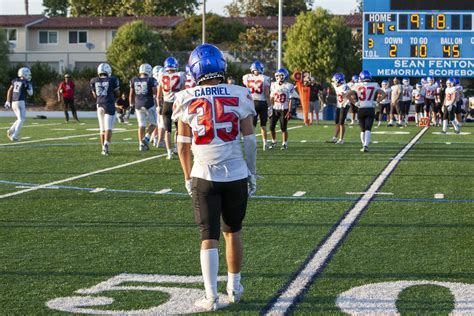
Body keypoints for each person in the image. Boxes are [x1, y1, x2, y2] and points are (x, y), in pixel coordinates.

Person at [172, 43, 257, 311]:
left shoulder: (185, 97)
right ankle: (235, 287)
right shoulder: (241, 93)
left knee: (208, 236)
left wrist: (187, 176)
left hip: (203, 174)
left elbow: (183, 144)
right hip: (236, 174)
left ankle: (211, 296)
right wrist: (252, 172)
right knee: (233, 232)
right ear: (221, 65)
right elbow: (251, 141)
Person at [157, 56, 187, 159]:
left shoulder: (161, 76)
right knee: (178, 129)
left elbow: (158, 96)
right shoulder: (181, 75)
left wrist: (158, 106)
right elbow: (183, 92)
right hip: (177, 105)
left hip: (166, 105)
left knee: (167, 131)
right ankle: (176, 148)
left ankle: (169, 153)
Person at [349, 70, 385, 152]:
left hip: (361, 108)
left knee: (362, 129)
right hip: (370, 108)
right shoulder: (375, 84)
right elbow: (384, 94)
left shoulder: (357, 85)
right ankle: (366, 145)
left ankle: (363, 145)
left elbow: (348, 95)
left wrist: (355, 103)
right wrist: (377, 102)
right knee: (368, 128)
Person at [90, 63, 120, 156]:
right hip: (109, 104)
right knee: (108, 128)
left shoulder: (93, 80)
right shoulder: (113, 79)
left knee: (102, 129)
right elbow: (117, 93)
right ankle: (106, 145)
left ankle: (103, 148)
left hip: (99, 104)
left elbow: (94, 95)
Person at [242, 61, 271, 150]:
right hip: (262, 103)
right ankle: (265, 144)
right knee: (263, 125)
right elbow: (266, 94)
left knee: (252, 126)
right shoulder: (264, 78)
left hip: (251, 103)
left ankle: (250, 143)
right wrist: (270, 107)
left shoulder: (247, 77)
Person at [130, 63, 158, 151]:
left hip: (138, 104)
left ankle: (140, 145)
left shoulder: (134, 79)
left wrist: (131, 104)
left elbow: (131, 94)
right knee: (153, 124)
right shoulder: (151, 79)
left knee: (141, 125)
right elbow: (155, 92)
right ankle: (145, 139)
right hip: (148, 104)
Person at [268, 68, 299, 150]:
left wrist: (289, 111)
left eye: (281, 76)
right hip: (275, 108)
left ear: (285, 76)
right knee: (271, 127)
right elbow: (271, 97)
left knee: (283, 128)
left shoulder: (289, 86)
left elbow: (290, 99)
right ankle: (273, 142)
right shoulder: (273, 84)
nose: (279, 77)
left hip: (284, 109)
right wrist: (269, 107)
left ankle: (284, 143)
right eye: (278, 76)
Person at [4, 67, 33, 142]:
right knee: (21, 119)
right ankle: (14, 135)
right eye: (27, 74)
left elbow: (9, 90)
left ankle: (10, 131)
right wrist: (30, 86)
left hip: (13, 102)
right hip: (20, 101)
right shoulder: (25, 82)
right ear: (24, 74)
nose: (28, 76)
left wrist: (8, 101)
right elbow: (31, 93)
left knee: (20, 119)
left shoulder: (15, 80)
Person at [331, 73, 351, 144]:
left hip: (345, 104)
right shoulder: (337, 85)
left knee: (341, 122)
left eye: (335, 80)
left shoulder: (344, 86)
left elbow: (349, 95)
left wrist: (344, 95)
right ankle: (335, 137)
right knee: (337, 122)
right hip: (339, 105)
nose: (334, 82)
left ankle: (341, 139)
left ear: (339, 80)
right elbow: (332, 82)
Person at [151, 65, 165, 148]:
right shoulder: (162, 78)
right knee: (161, 123)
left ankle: (154, 137)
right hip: (161, 101)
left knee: (155, 121)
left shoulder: (153, 78)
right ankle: (159, 140)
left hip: (153, 101)